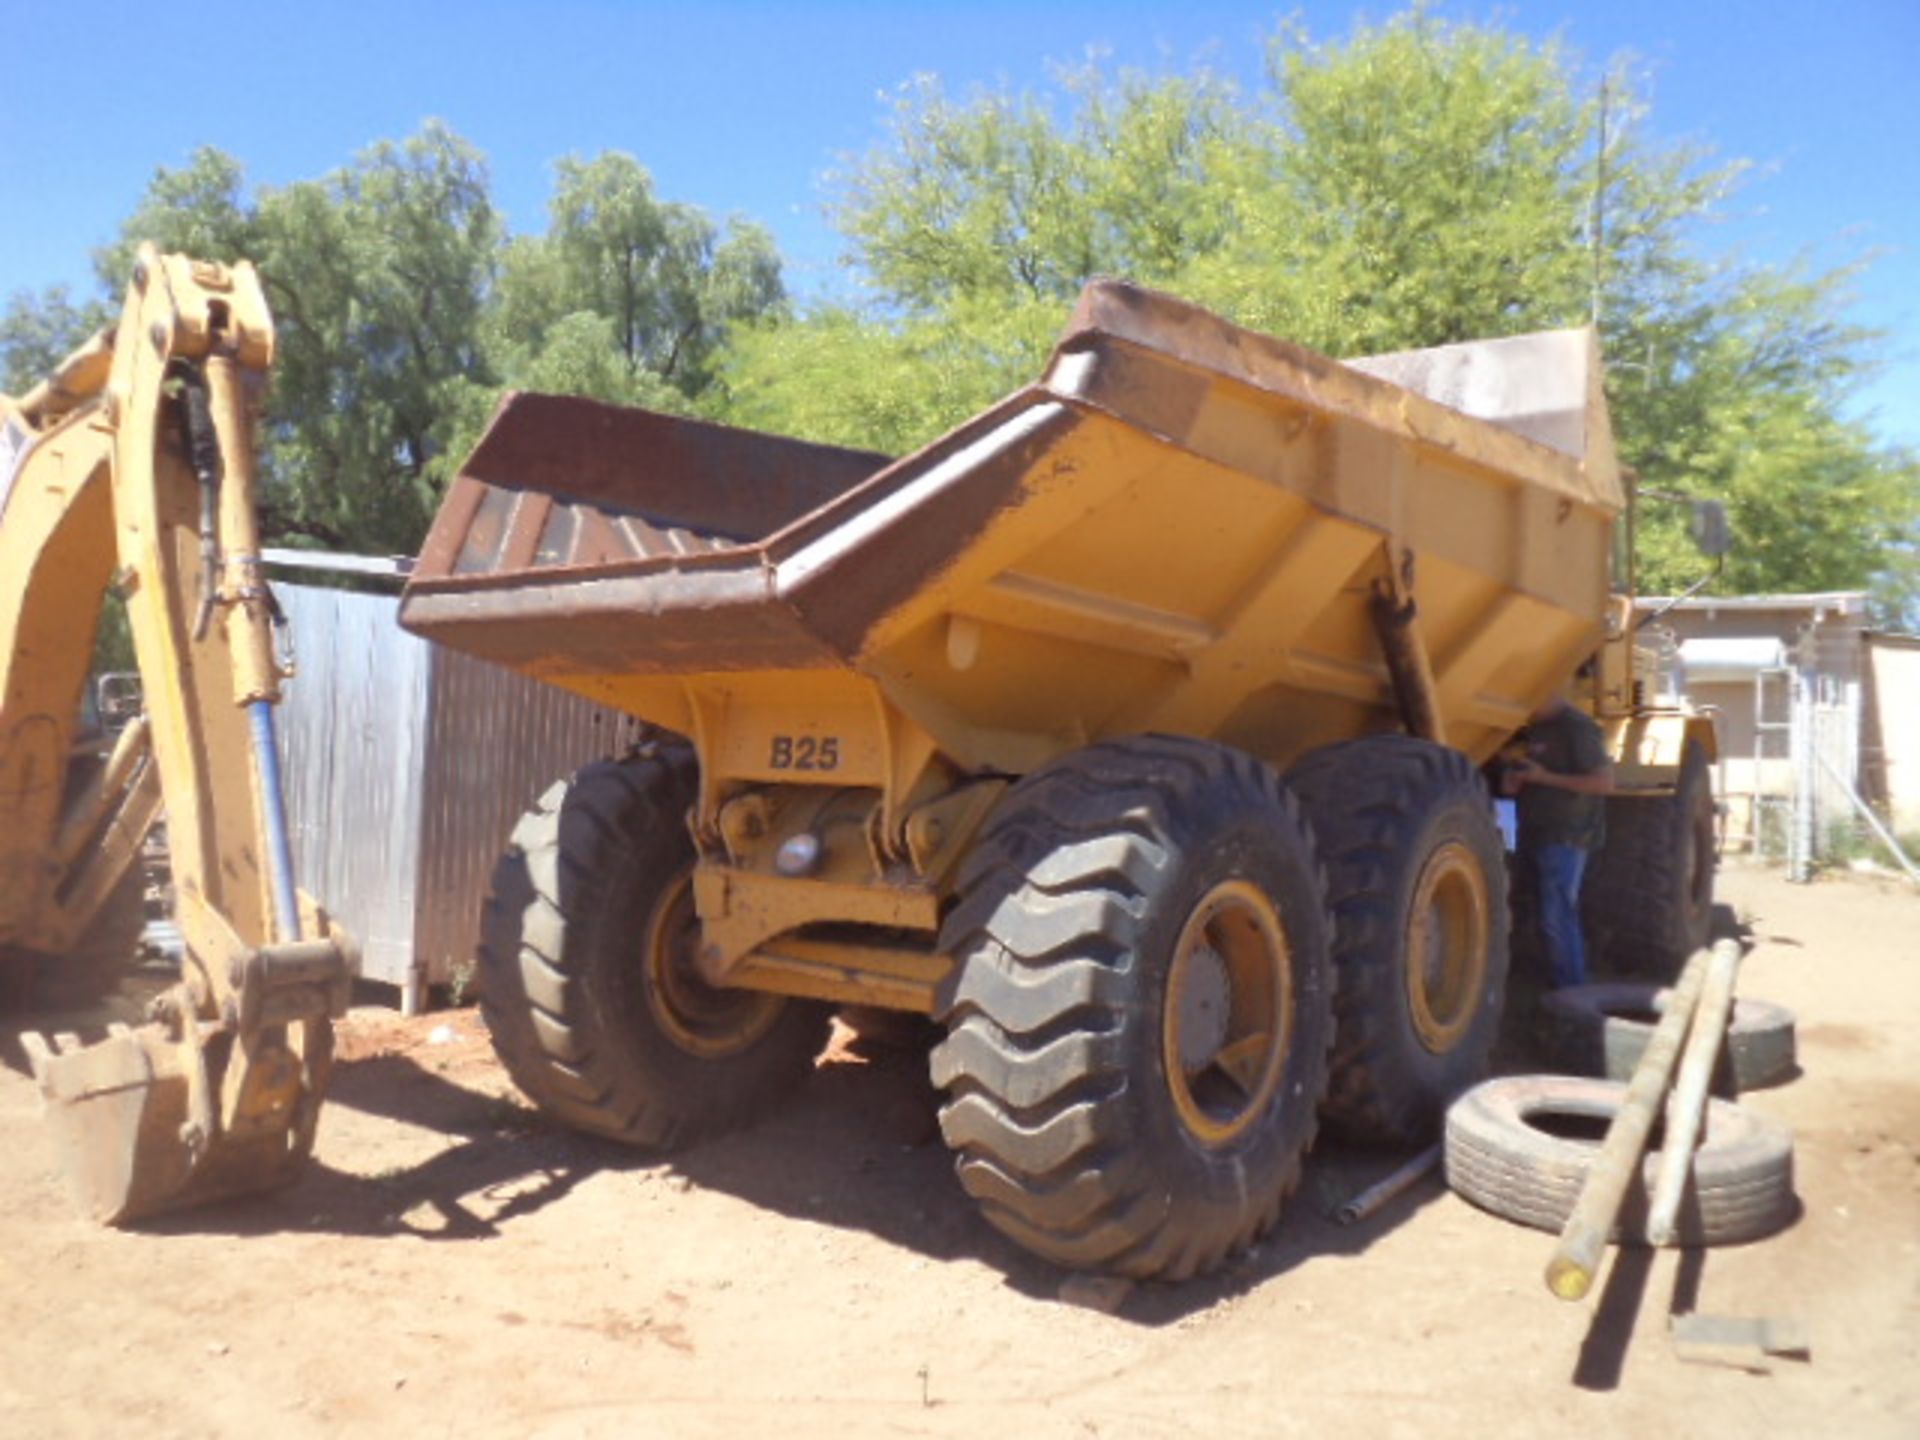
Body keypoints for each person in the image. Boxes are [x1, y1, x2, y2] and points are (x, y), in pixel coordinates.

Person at [1505, 692, 1615, 989]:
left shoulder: (1578, 728)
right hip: (1532, 833)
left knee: (1558, 915)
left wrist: (1543, 778)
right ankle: (1547, 984)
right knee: (1539, 911)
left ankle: (1572, 992)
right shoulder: (1534, 728)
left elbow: (1604, 782)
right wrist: (1516, 781)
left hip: (1567, 835)